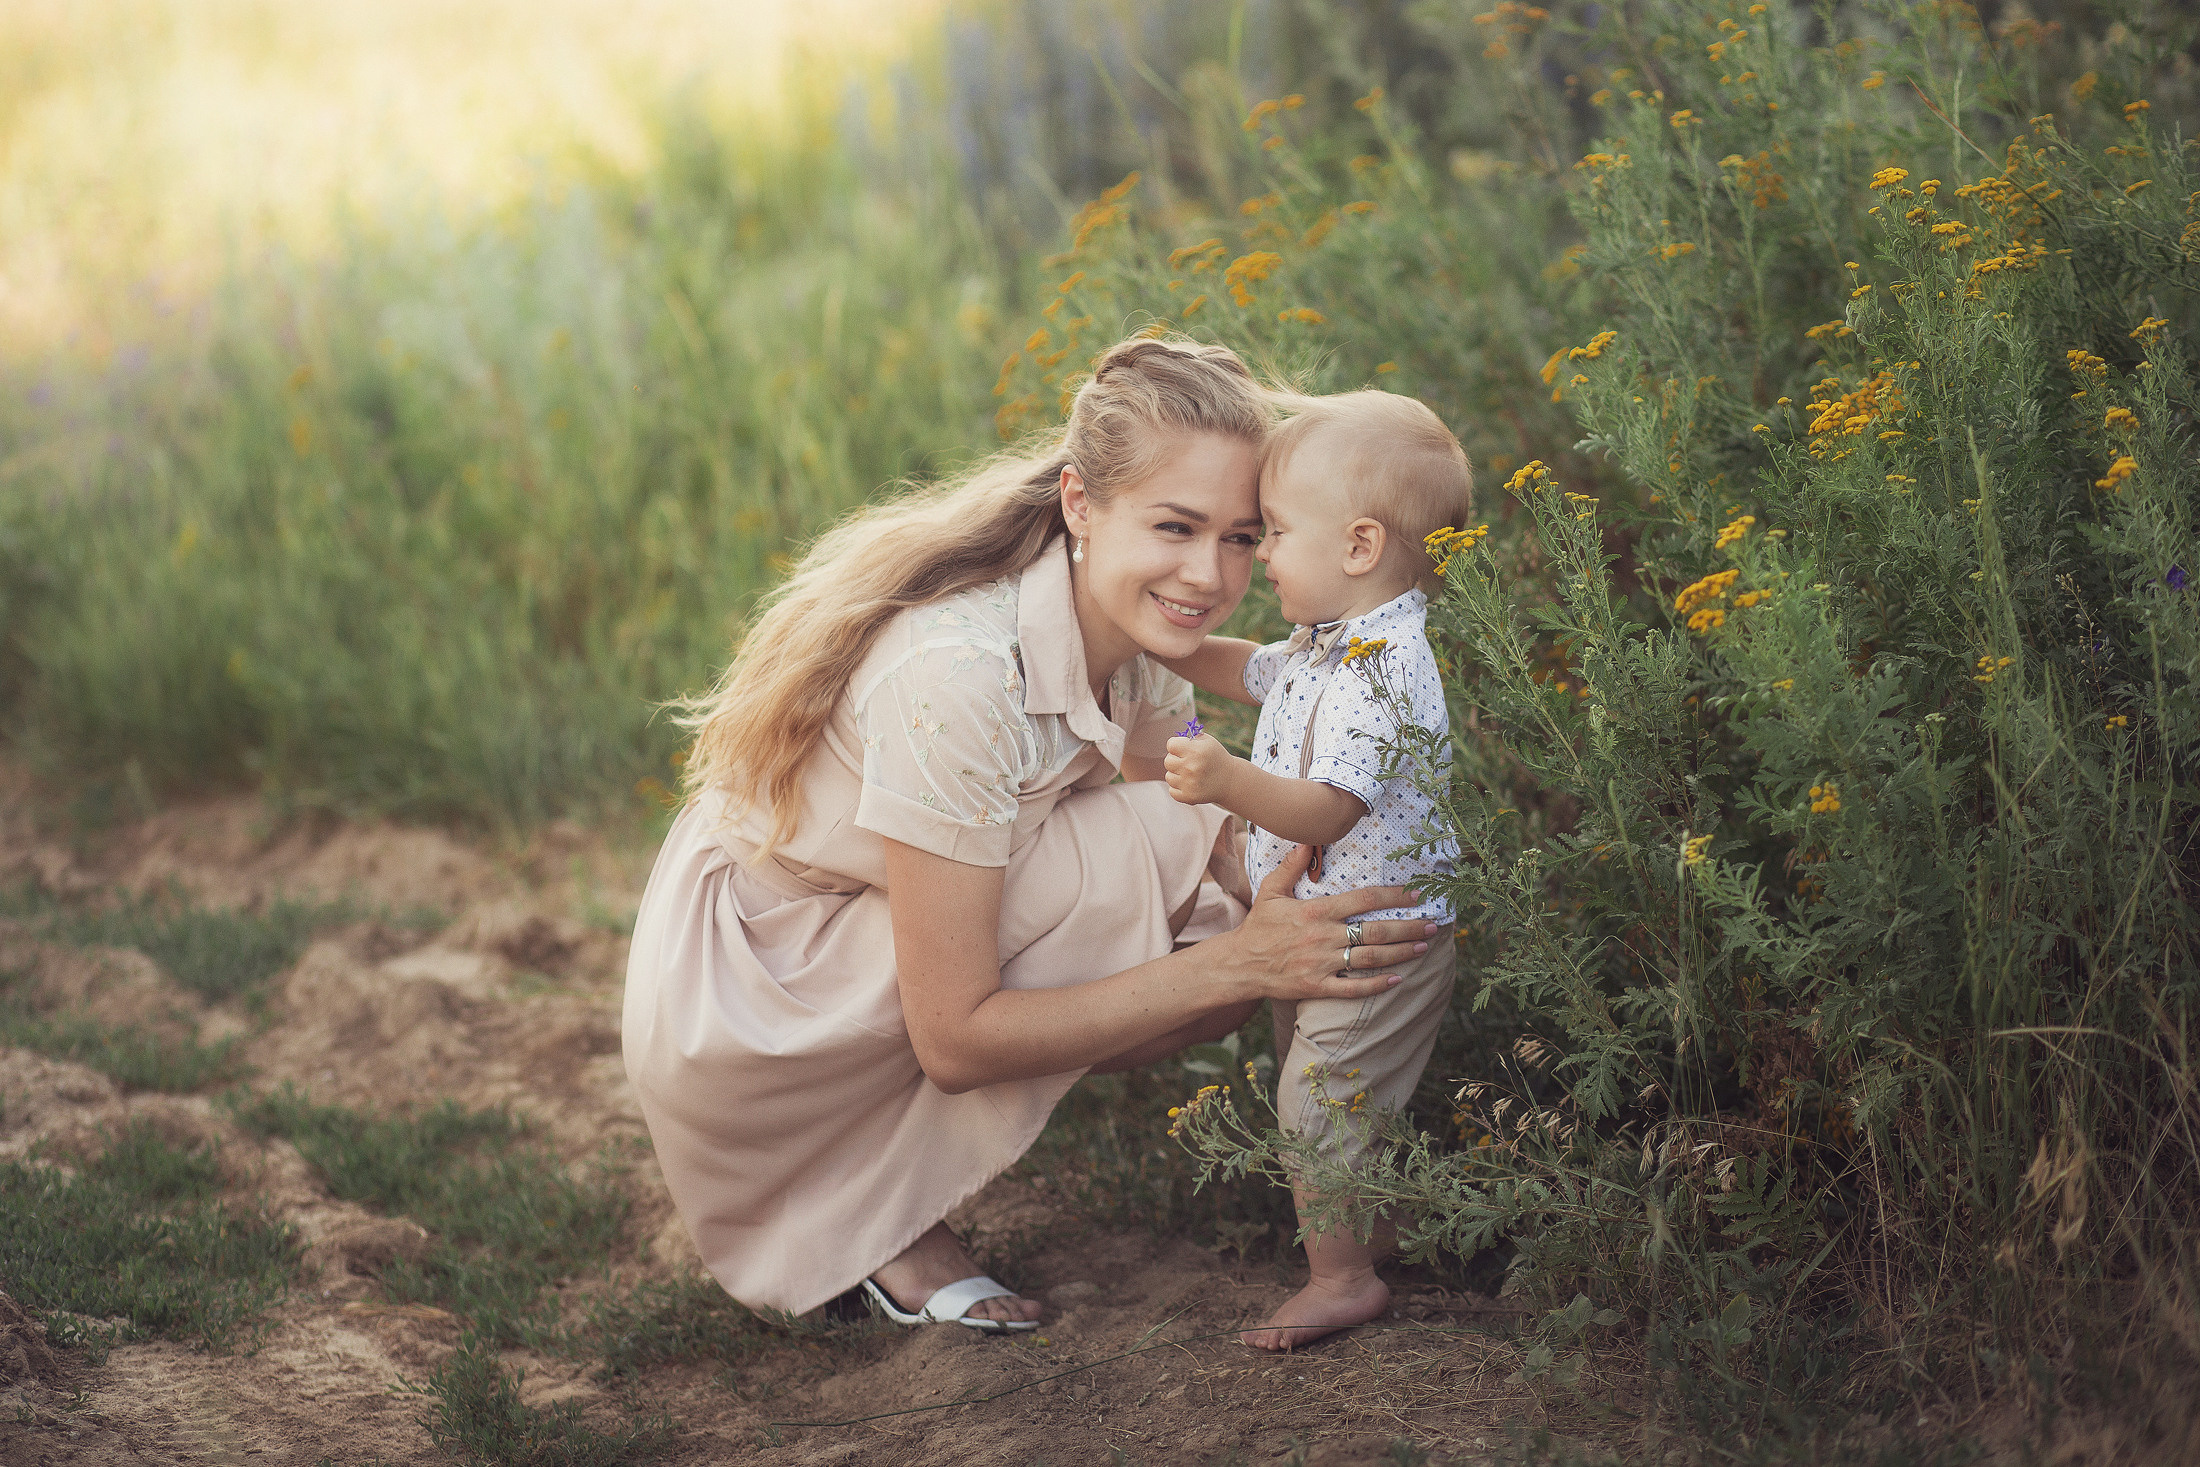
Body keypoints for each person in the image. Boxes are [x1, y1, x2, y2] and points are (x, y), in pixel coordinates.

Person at [622, 339, 1442, 1332]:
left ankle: (897, 1172)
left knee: (1209, 886)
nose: (1209, 576)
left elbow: (1172, 785)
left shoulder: (1141, 635)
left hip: (865, 923)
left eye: (1241, 536)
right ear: (1080, 504)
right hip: (760, 994)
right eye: (1174, 527)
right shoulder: (957, 681)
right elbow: (956, 1038)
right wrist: (1243, 964)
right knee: (1189, 929)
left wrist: (1329, 897)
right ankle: (863, 1211)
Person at [1158, 389, 1472, 1350]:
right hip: (1319, 929)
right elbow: (1246, 668)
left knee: (1318, 1094)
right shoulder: (1320, 643)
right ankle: (1375, 1230)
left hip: (1377, 936)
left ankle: (1342, 1279)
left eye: (1277, 533)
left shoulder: (1387, 663)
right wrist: (1153, 636)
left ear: (1360, 546)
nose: (1261, 559)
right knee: (1332, 1086)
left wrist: (1226, 778)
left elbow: (1333, 806)